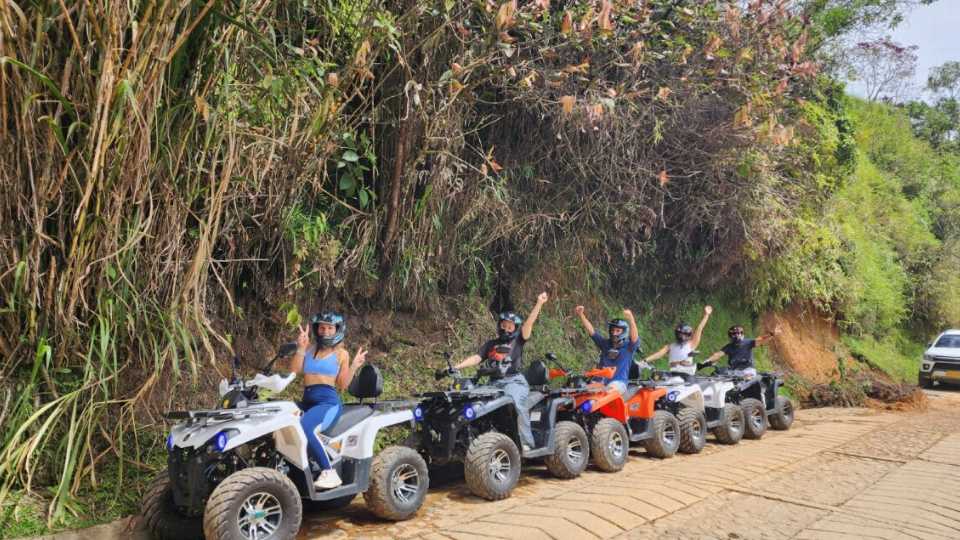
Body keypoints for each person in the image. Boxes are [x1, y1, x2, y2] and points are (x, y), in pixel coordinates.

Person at [453, 292, 549, 451]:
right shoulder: (491, 344)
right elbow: (477, 358)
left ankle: (527, 443)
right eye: (503, 325)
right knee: (471, 401)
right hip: (493, 383)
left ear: (515, 328)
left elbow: (529, 325)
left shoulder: (518, 340)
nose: (506, 329)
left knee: (517, 404)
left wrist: (539, 303)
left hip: (514, 381)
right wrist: (456, 366)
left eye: (510, 326)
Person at [291, 311, 367, 489]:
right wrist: (300, 347)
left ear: (337, 330)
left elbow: (342, 385)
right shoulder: (309, 349)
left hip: (327, 402)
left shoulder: (342, 354)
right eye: (322, 327)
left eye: (330, 328)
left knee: (305, 427)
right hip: (307, 399)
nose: (325, 331)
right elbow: (295, 370)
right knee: (282, 416)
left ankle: (329, 472)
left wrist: (354, 365)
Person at [574, 306, 640, 395]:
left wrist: (631, 319)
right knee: (582, 393)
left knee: (607, 392)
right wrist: (581, 314)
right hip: (600, 381)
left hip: (618, 382)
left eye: (618, 331)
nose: (614, 333)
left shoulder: (629, 347)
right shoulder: (605, 344)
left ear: (624, 332)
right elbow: (592, 331)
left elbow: (634, 337)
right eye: (612, 330)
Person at [642, 305, 713, 380]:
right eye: (680, 334)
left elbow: (699, 328)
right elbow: (658, 354)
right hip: (673, 374)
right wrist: (644, 361)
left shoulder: (691, 344)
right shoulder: (670, 346)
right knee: (655, 377)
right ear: (677, 333)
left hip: (687, 375)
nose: (682, 336)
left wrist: (706, 315)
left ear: (688, 335)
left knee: (693, 389)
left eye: (684, 334)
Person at [703, 323, 782, 375]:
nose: (737, 335)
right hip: (734, 372)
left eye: (739, 333)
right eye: (734, 333)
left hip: (747, 371)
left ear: (742, 333)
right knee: (717, 374)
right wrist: (706, 361)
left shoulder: (748, 342)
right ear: (730, 335)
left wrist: (772, 334)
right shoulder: (729, 347)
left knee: (747, 381)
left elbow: (760, 340)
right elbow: (718, 354)